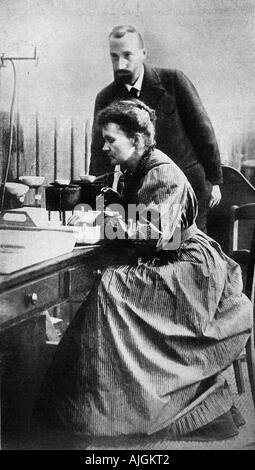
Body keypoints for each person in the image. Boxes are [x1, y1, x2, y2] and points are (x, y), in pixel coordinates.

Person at [34, 99, 252, 444]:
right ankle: (108, 400)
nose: (104, 147)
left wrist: (104, 223)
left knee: (113, 288)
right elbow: (138, 217)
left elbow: (154, 233)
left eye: (111, 140)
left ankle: (125, 407)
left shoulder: (161, 171)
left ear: (136, 140)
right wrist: (103, 215)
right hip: (169, 256)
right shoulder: (137, 167)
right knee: (112, 283)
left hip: (189, 265)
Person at [89, 25, 222, 232]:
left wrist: (214, 181)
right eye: (114, 57)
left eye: (127, 55)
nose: (120, 64)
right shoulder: (106, 97)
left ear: (143, 54)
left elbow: (203, 131)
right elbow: (99, 153)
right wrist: (94, 200)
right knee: (143, 245)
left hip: (187, 184)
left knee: (182, 247)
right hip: (141, 190)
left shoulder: (173, 81)